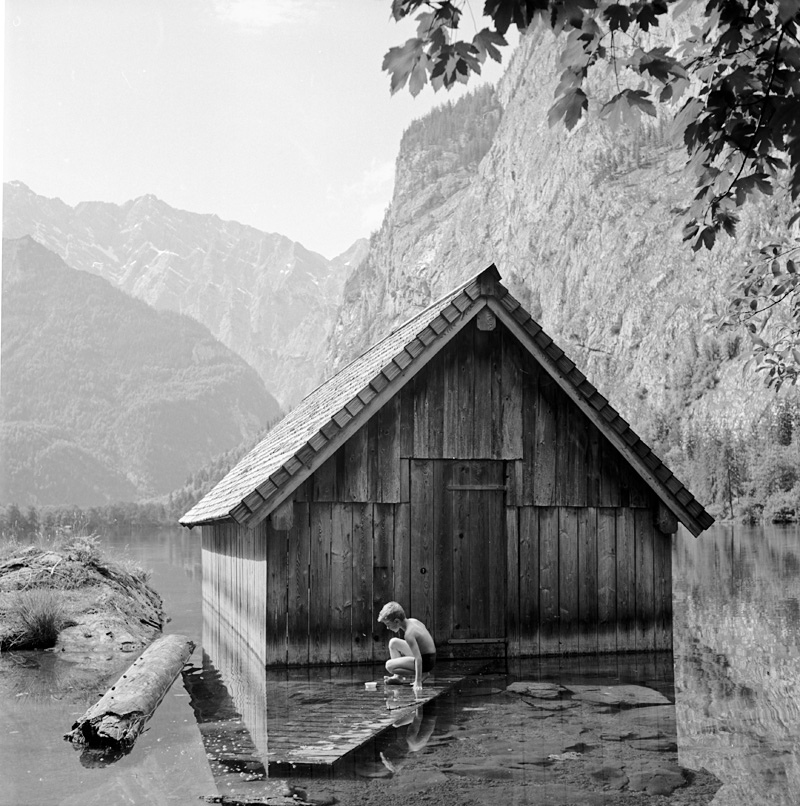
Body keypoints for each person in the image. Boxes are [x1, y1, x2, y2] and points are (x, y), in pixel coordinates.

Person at [377, 601, 436, 691]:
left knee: (389, 666)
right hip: (428, 655)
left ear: (396, 621)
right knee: (393, 642)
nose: (387, 628)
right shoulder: (412, 621)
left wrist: (418, 681)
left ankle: (422, 674)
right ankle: (398, 677)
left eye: (388, 624)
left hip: (426, 661)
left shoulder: (409, 634)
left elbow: (418, 658)